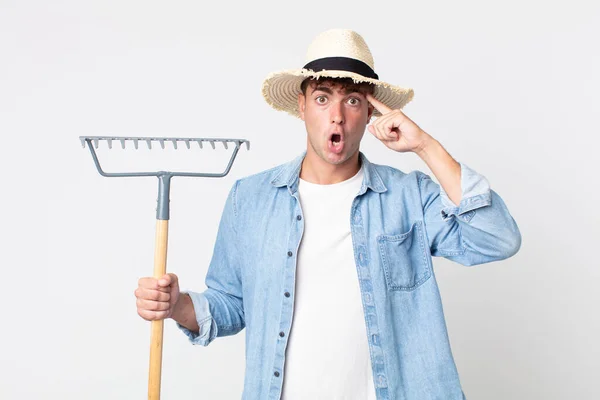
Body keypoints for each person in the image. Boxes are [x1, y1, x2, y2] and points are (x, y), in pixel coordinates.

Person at [134, 29, 521, 399]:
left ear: (370, 112)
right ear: (301, 106)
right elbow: (231, 305)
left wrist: (424, 146)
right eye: (322, 98)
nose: (336, 116)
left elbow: (497, 238)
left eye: (352, 100)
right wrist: (178, 307)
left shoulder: (408, 197)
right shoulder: (250, 199)